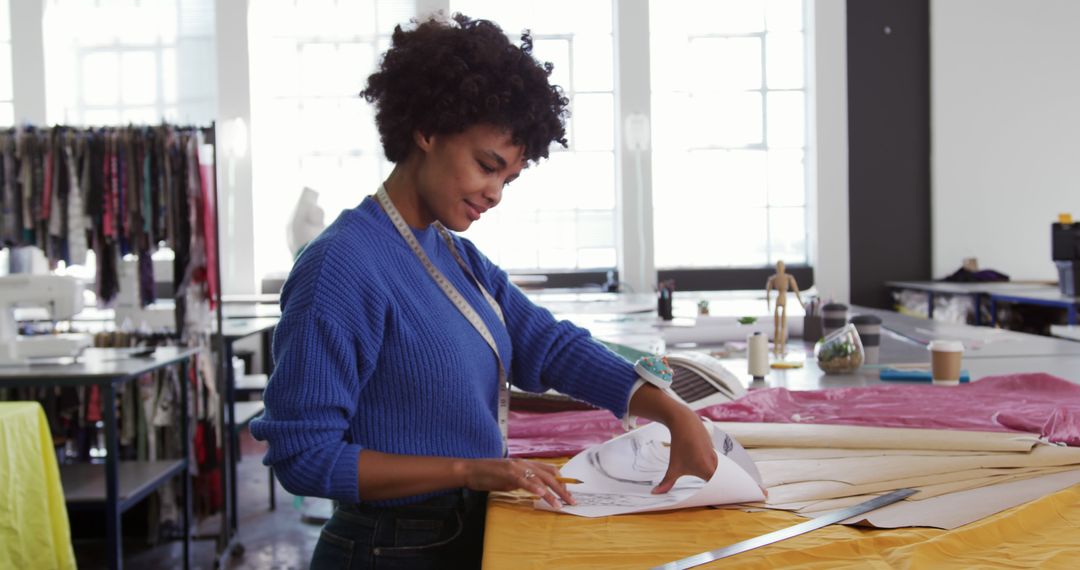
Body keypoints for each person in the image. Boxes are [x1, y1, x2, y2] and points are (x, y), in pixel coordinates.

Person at [250, 13, 717, 569]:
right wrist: (471, 470)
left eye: (509, 179)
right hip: (387, 548)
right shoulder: (341, 266)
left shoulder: (452, 254)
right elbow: (303, 457)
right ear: (426, 129)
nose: (495, 193)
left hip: (459, 532)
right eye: (487, 166)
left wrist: (671, 410)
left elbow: (547, 345)